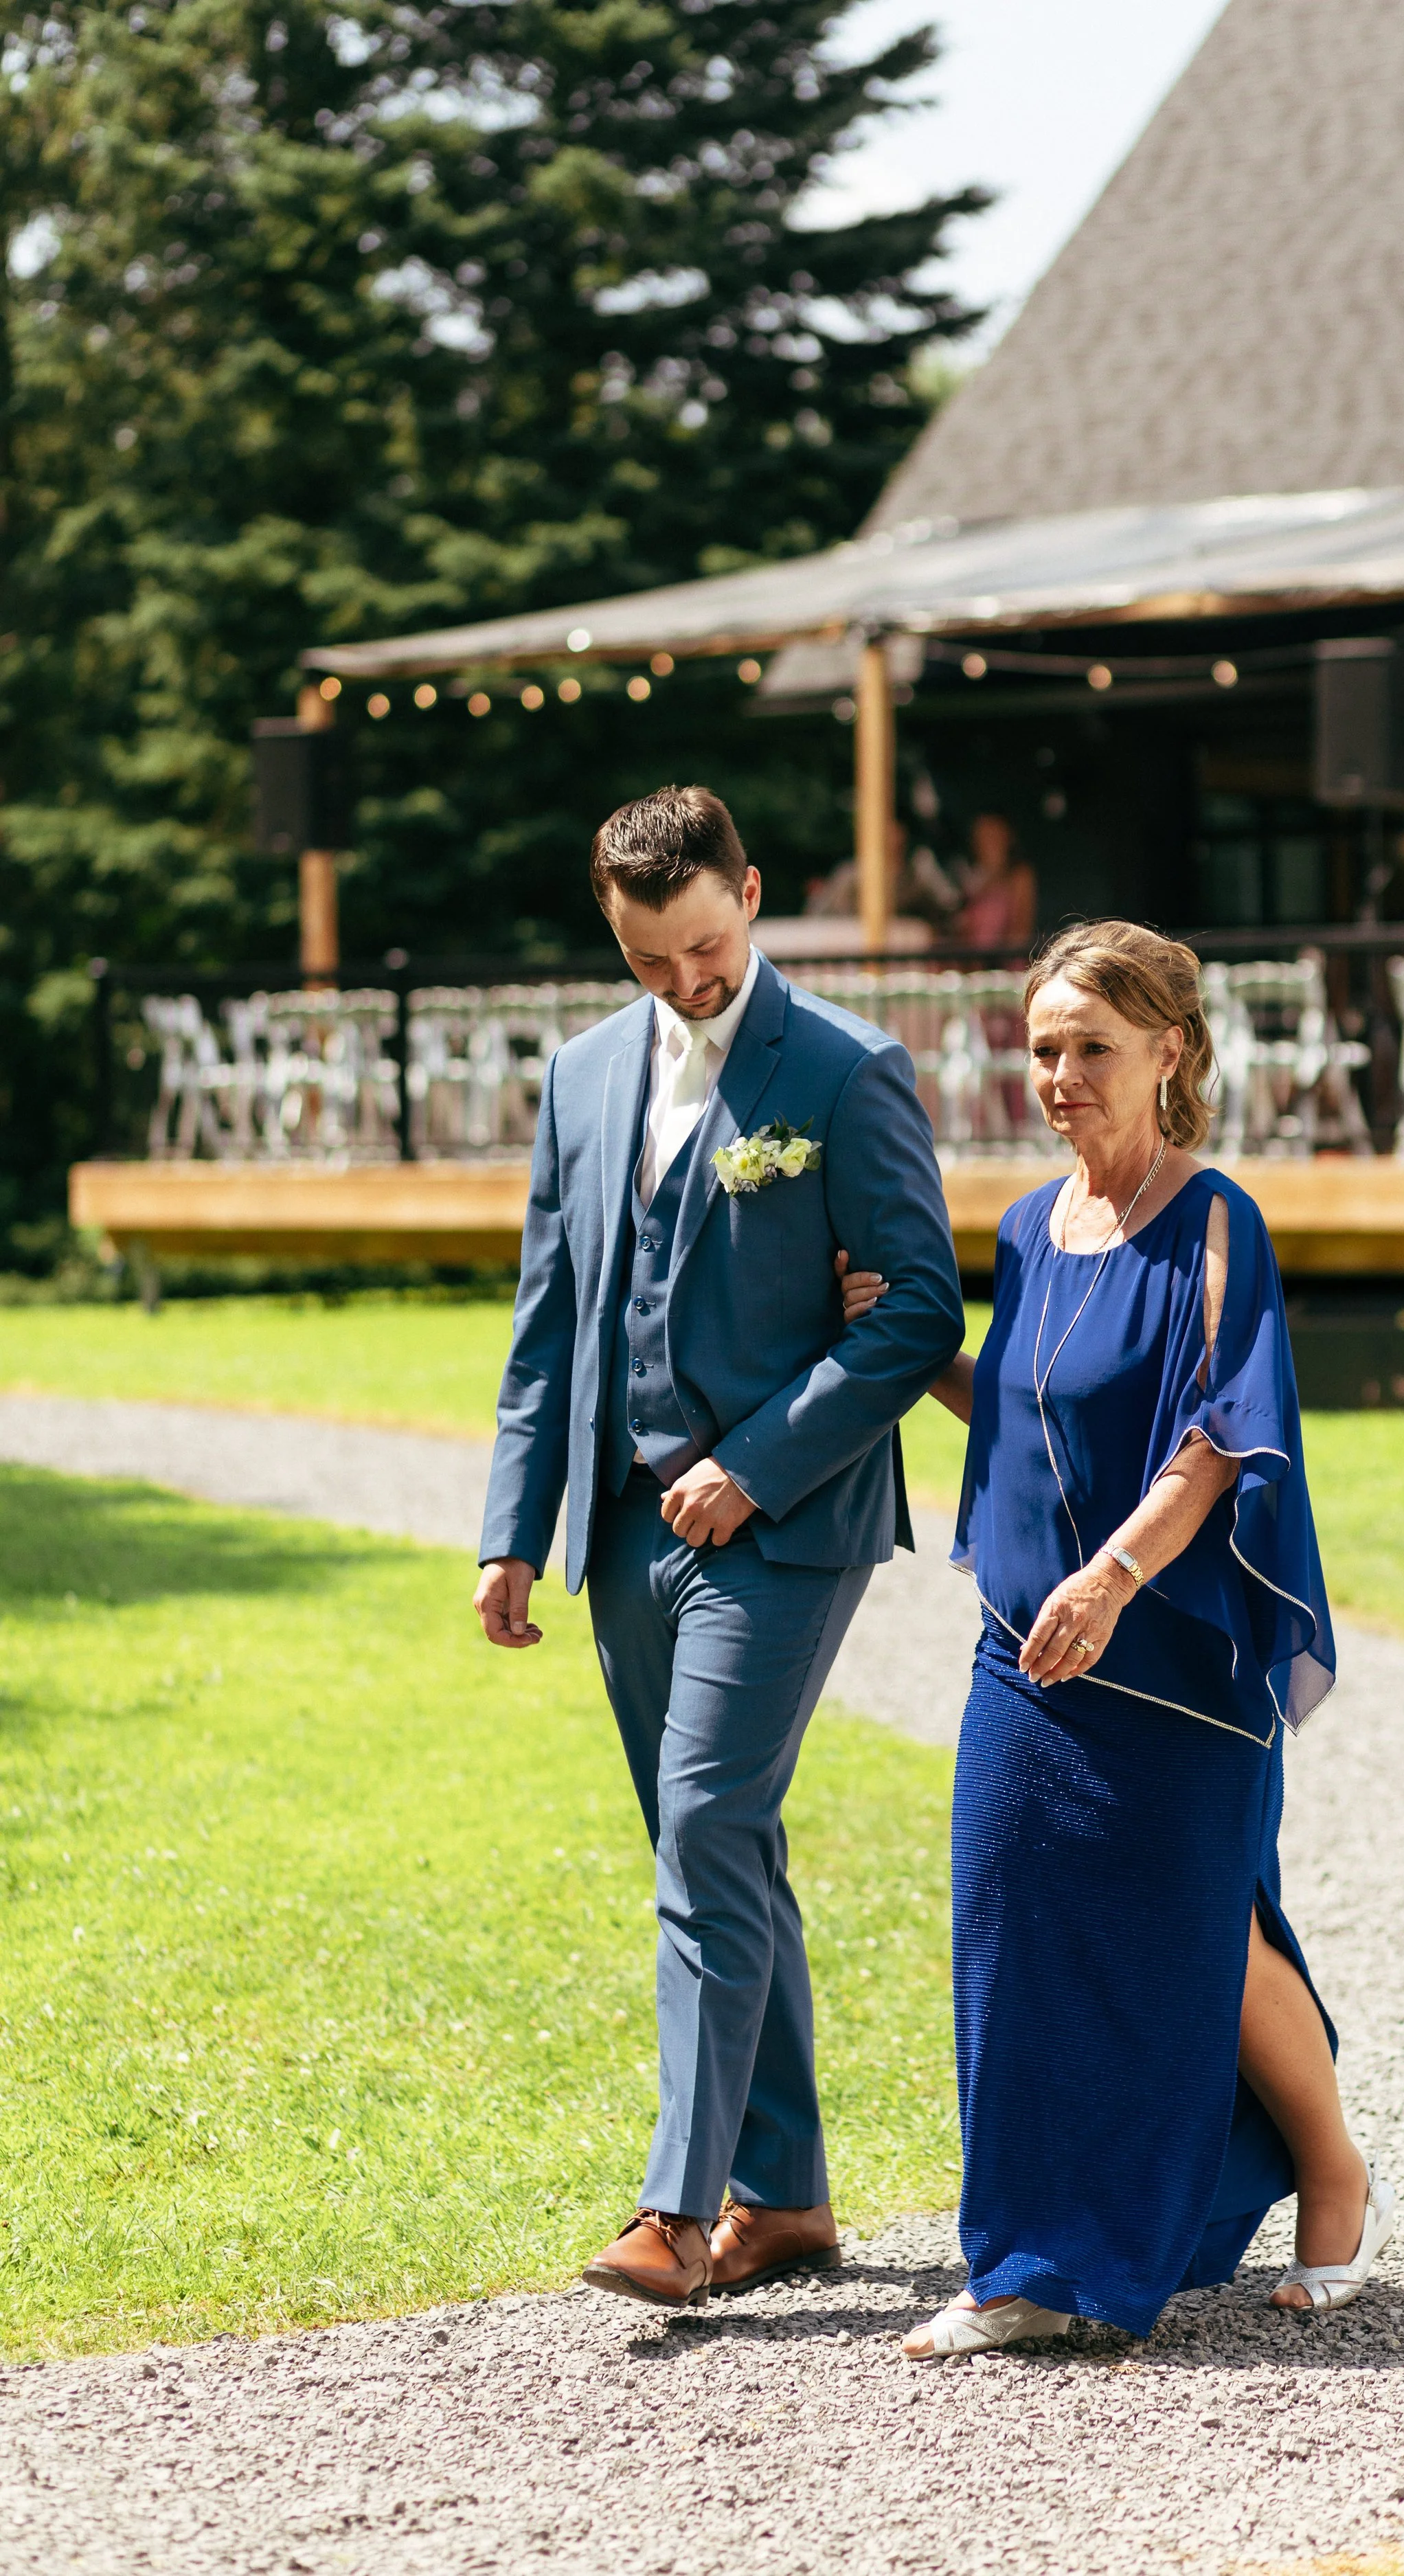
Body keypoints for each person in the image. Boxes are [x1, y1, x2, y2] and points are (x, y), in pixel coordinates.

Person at [840, 920, 1393, 2355]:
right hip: (1022, 1645)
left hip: (1168, 1650)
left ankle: (1331, 2174)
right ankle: (1021, 2265)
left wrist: (1110, 1580)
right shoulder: (1026, 1230)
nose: (1060, 1076)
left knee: (1203, 1926)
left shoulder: (1213, 1220)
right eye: (1042, 1050)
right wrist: (915, 1354)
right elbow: (1035, 1418)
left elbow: (1219, 1429)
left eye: (1090, 1047)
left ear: (1170, 1053)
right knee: (1008, 1939)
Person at [473, 786, 965, 2312]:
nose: (685, 983)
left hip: (787, 1522)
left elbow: (919, 1317)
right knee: (720, 1841)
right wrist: (510, 1532)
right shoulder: (579, 1077)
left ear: (748, 894)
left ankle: (676, 2214)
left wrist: (752, 1470)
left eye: (702, 945)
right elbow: (550, 1318)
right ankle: (792, 2198)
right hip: (620, 1529)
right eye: (648, 960)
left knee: (699, 1822)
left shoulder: (842, 1069)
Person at [802, 820, 962, 930]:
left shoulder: (919, 868)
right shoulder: (851, 874)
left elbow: (949, 903)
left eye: (893, 828)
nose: (888, 836)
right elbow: (817, 913)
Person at [953, 812, 1037, 949]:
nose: (988, 842)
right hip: (970, 959)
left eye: (994, 835)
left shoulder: (1020, 875)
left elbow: (1020, 929)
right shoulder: (966, 875)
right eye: (982, 835)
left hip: (1006, 959)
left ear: (1008, 838)